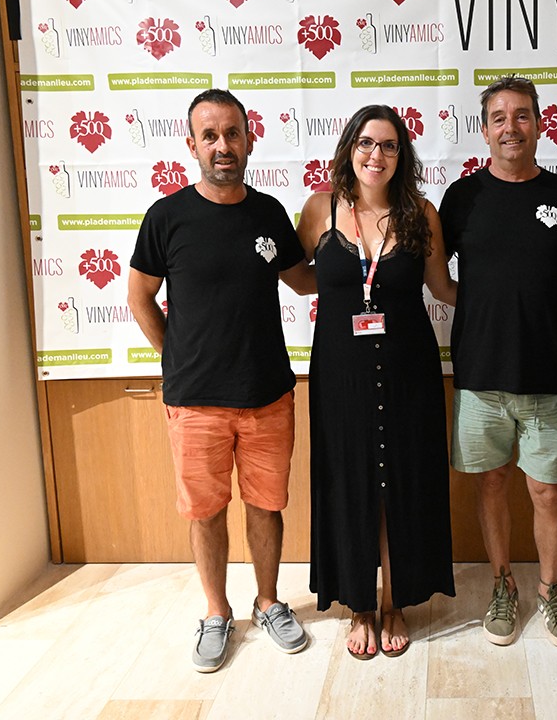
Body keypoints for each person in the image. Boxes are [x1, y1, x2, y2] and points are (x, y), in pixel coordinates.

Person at [128, 88, 316, 673]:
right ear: (192, 145)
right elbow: (139, 298)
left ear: (249, 139)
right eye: (209, 135)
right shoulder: (166, 217)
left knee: (266, 505)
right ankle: (216, 612)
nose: (222, 145)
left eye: (232, 133)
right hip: (195, 401)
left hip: (267, 394)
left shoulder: (269, 214)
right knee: (205, 512)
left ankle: (269, 602)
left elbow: (303, 281)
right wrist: (177, 357)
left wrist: (351, 240)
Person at [296, 105, 456, 660]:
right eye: (366, 143)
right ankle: (359, 604)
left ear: (401, 155)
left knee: (400, 485)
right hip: (340, 374)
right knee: (350, 482)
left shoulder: (421, 213)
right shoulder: (318, 209)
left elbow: (443, 288)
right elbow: (296, 277)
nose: (376, 155)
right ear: (349, 149)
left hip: (410, 372)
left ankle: (394, 602)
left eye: (388, 145)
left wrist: (511, 295)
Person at [438, 76, 557, 649]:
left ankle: (550, 588)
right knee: (492, 483)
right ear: (484, 130)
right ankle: (503, 584)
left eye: (521, 115)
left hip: (544, 373)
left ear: (540, 125)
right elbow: (437, 280)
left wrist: (537, 302)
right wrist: (482, 303)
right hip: (479, 374)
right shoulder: (462, 197)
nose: (510, 127)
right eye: (498, 118)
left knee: (548, 492)